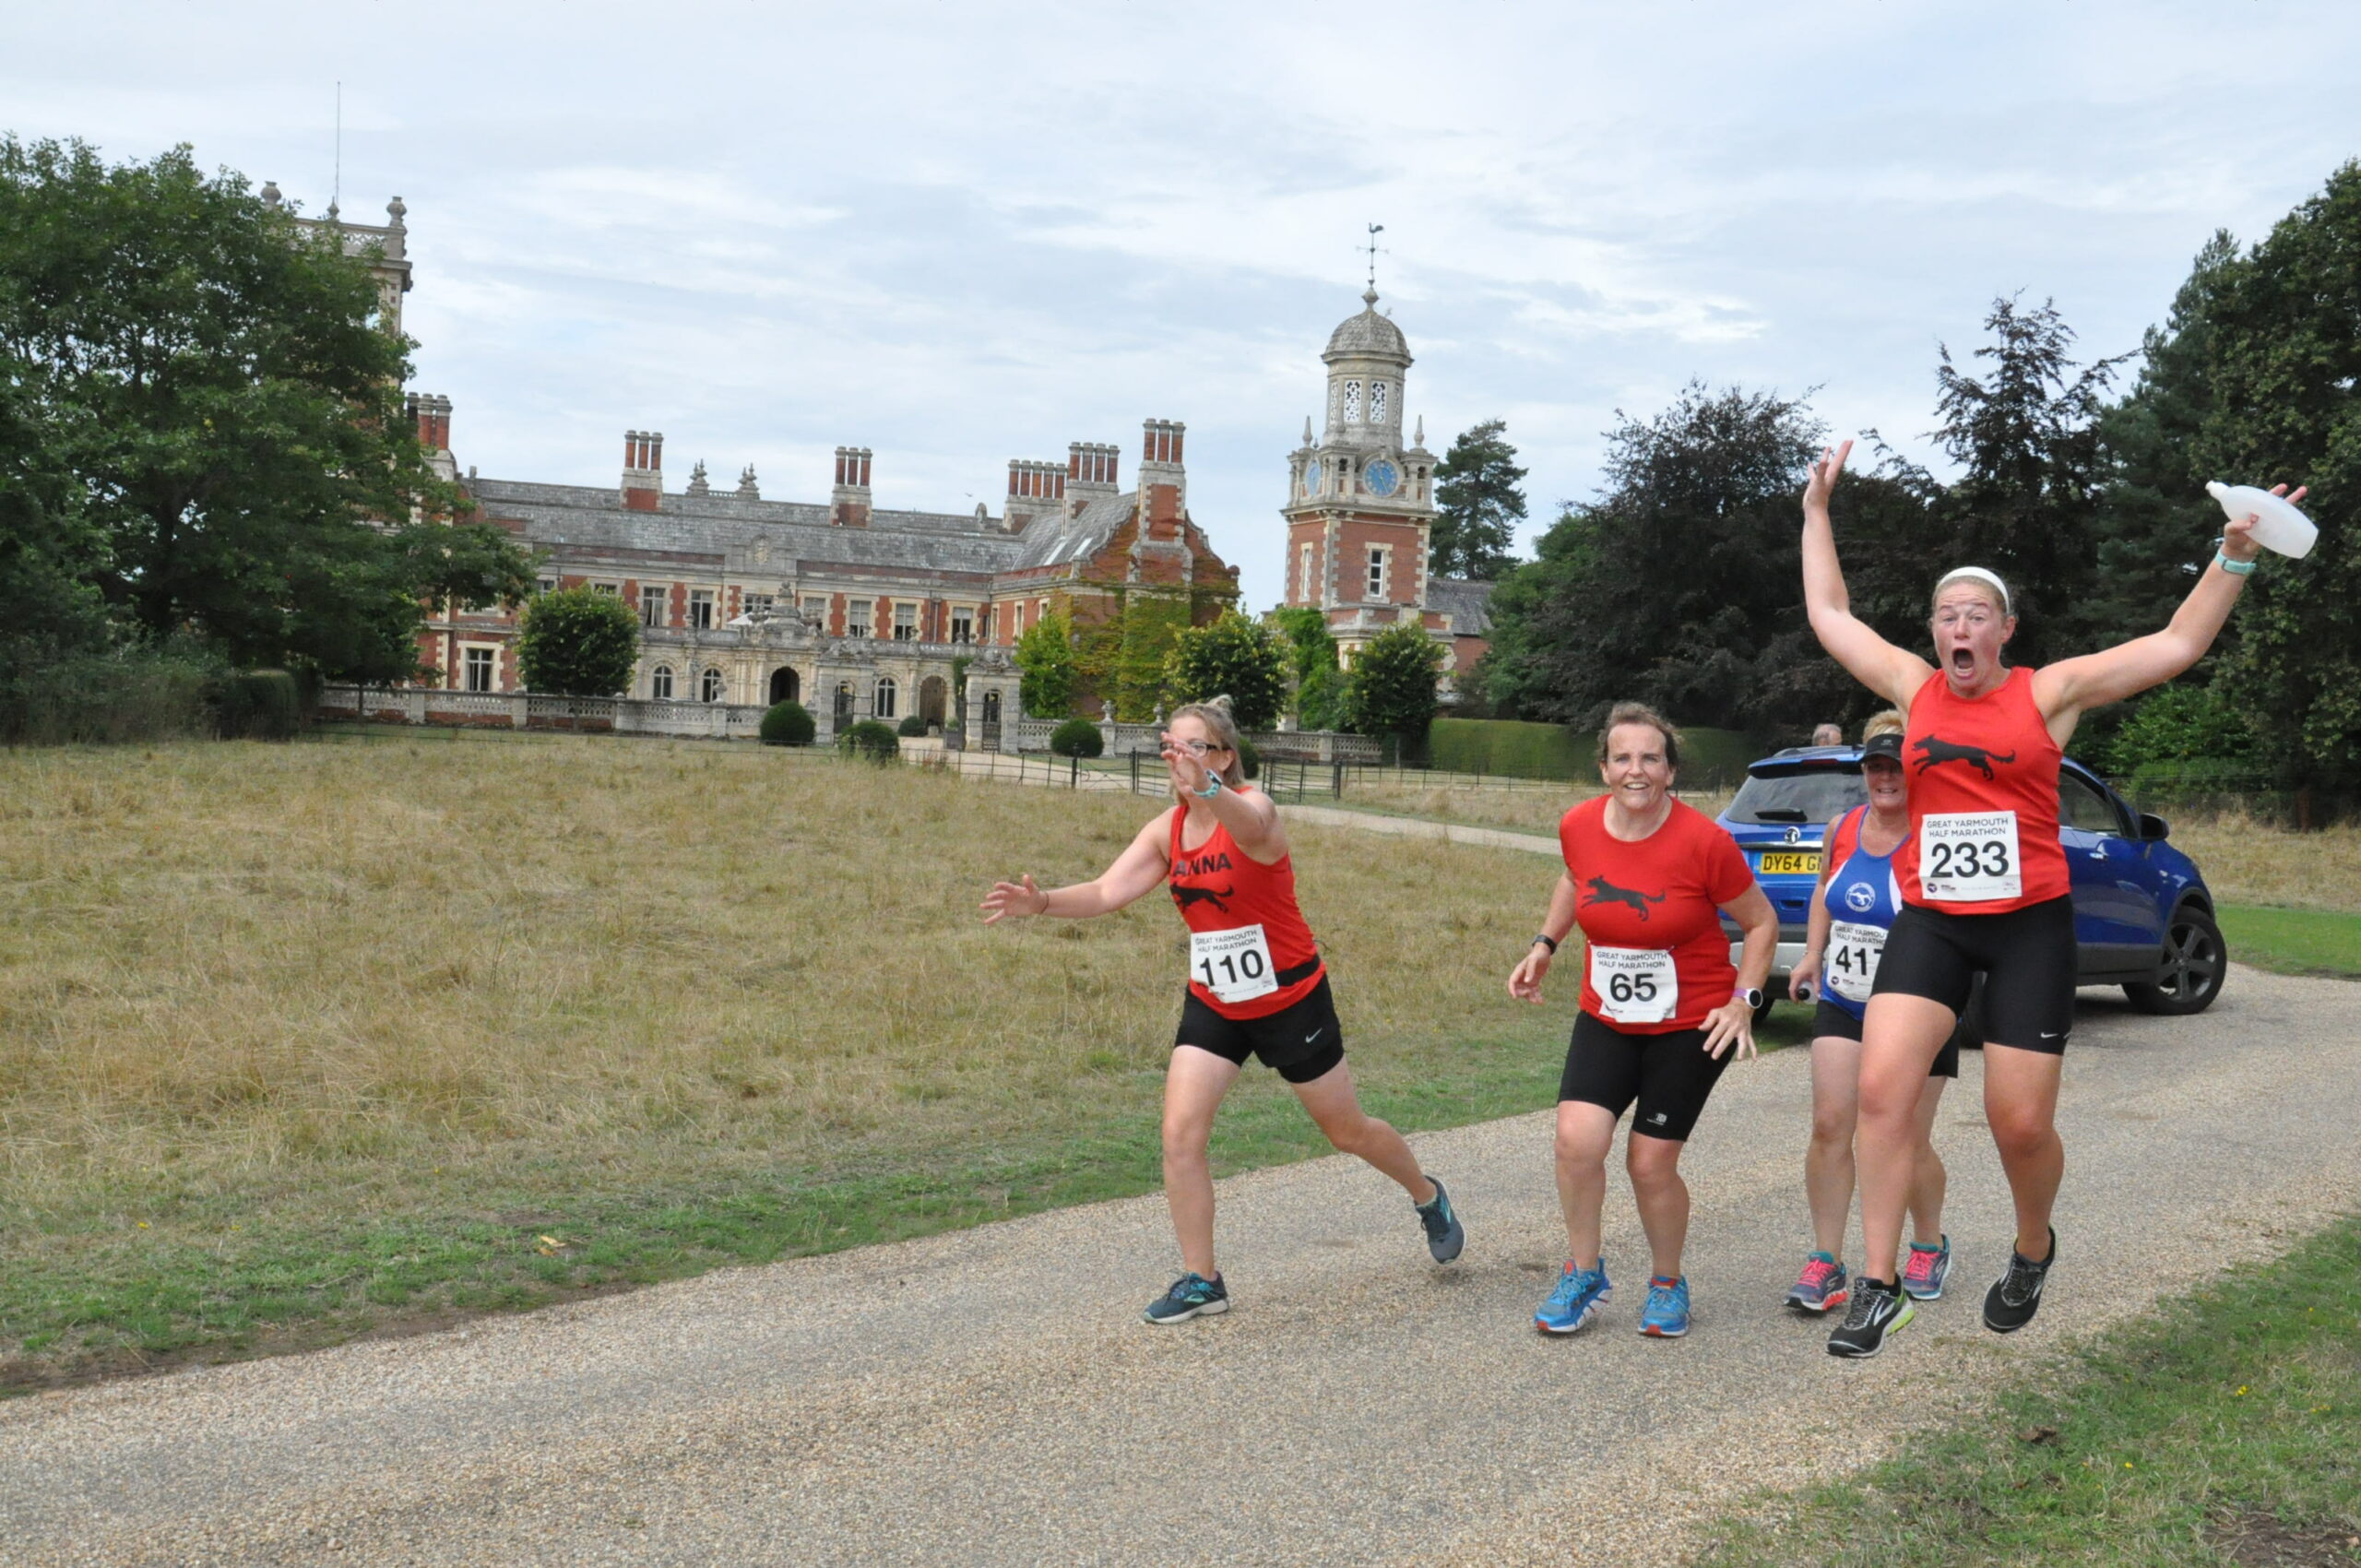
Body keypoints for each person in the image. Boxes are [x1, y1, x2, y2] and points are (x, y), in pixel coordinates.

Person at [1801, 439, 2301, 1357]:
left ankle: (2032, 1244)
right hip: (1935, 921)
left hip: (2029, 926)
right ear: (1934, 630)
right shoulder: (1912, 690)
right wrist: (1815, 514)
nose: (1958, 625)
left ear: (2003, 630)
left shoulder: (2048, 695)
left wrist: (2234, 550)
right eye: (1946, 613)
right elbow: (1829, 611)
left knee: (2018, 1121)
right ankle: (1877, 1283)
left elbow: (2176, 644)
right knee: (1881, 1092)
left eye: (1976, 613)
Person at [980, 696, 1465, 1324]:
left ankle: (1428, 1196)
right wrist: (1043, 903)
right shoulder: (1167, 830)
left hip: (1290, 998)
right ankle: (1202, 1279)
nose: (1178, 758)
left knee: (1346, 1131)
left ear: (1225, 757)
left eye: (1195, 747)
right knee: (1180, 1136)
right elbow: (1106, 890)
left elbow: (1254, 831)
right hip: (1216, 999)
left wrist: (1211, 789)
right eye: (1170, 747)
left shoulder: (1255, 806)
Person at [1508, 703, 1777, 1338]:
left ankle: (1666, 1281)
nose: (1637, 770)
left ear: (1670, 771)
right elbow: (1578, 880)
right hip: (1608, 1014)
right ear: (1604, 768)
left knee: (1650, 1163)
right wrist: (1545, 945)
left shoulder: (1704, 842)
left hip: (1691, 1023)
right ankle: (1583, 1270)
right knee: (1577, 1142)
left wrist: (1745, 1000)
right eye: (1623, 758)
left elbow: (1761, 922)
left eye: (1650, 758)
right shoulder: (1577, 825)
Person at [1783, 712, 1955, 1316]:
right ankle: (1827, 1262)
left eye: (1898, 766)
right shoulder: (1844, 827)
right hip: (1844, 998)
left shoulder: (1938, 834)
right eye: (1876, 766)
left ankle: (1929, 1240)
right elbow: (1824, 888)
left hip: (1918, 1008)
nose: (1886, 778)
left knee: (1904, 1137)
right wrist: (1810, 954)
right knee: (1831, 1124)